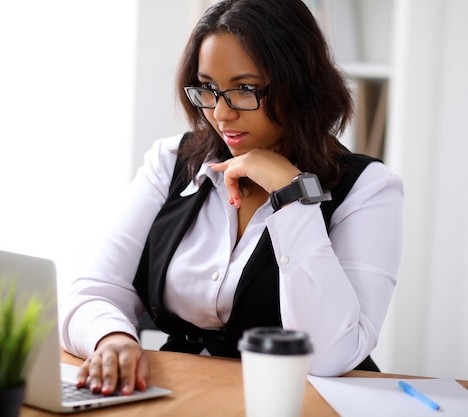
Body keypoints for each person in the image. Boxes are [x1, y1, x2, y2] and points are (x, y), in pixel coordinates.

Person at [60, 0, 403, 396]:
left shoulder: (368, 188)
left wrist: (293, 196)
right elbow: (94, 291)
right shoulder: (173, 162)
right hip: (189, 391)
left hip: (303, 400)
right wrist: (112, 338)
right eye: (208, 88)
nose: (221, 114)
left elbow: (328, 356)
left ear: (300, 84)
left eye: (244, 89)